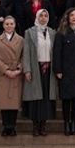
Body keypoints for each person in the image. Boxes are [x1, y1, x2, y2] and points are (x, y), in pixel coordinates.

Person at [21, 8, 57, 136]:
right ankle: (35, 125)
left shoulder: (52, 32)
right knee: (36, 98)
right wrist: (27, 70)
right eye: (41, 15)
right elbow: (26, 52)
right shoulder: (30, 32)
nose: (43, 18)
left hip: (48, 70)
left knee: (46, 98)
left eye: (45, 16)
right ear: (37, 17)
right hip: (36, 68)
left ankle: (43, 125)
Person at [53, 8, 75, 135]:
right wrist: (58, 69)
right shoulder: (61, 33)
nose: (74, 17)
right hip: (66, 71)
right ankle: (67, 124)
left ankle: (74, 123)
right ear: (67, 17)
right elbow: (57, 53)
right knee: (66, 99)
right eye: (72, 15)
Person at [0, 16, 25, 136]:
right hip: (3, 74)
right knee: (4, 102)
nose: (9, 26)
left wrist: (19, 69)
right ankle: (6, 126)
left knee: (14, 102)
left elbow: (24, 55)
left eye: (11, 24)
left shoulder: (21, 40)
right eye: (7, 24)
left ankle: (12, 126)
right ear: (3, 25)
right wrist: (6, 70)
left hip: (16, 73)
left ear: (15, 25)